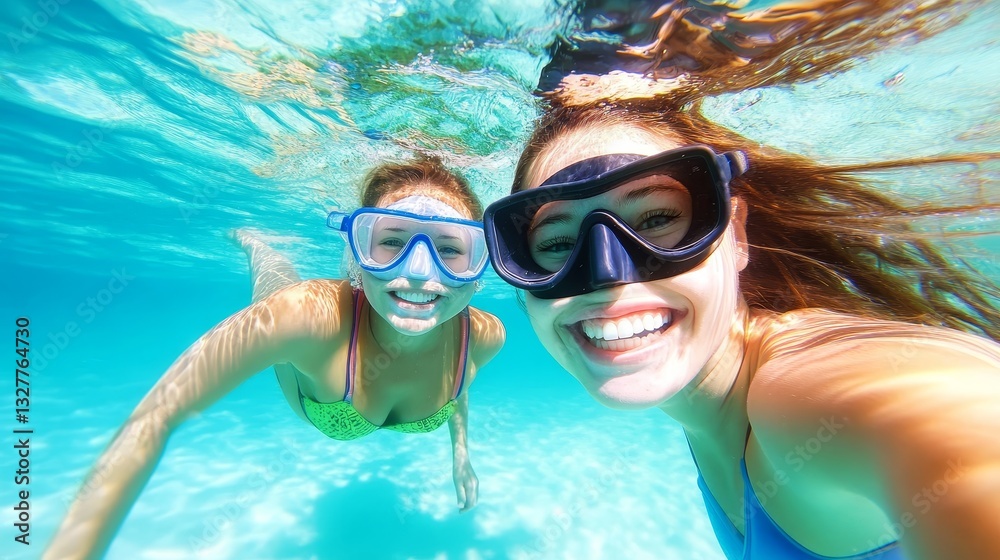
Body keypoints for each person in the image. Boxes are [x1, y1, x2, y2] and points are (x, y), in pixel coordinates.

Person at [482, 97, 1000, 560]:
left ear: (737, 236)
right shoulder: (705, 399)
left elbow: (955, 436)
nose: (607, 276)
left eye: (658, 217)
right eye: (554, 244)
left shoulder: (798, 398)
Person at [45, 155, 505, 560]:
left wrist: (461, 455)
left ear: (476, 270)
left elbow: (458, 381)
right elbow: (160, 412)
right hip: (299, 316)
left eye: (449, 249)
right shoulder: (303, 317)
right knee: (275, 282)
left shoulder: (483, 336)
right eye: (390, 241)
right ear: (355, 257)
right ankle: (258, 245)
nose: (420, 272)